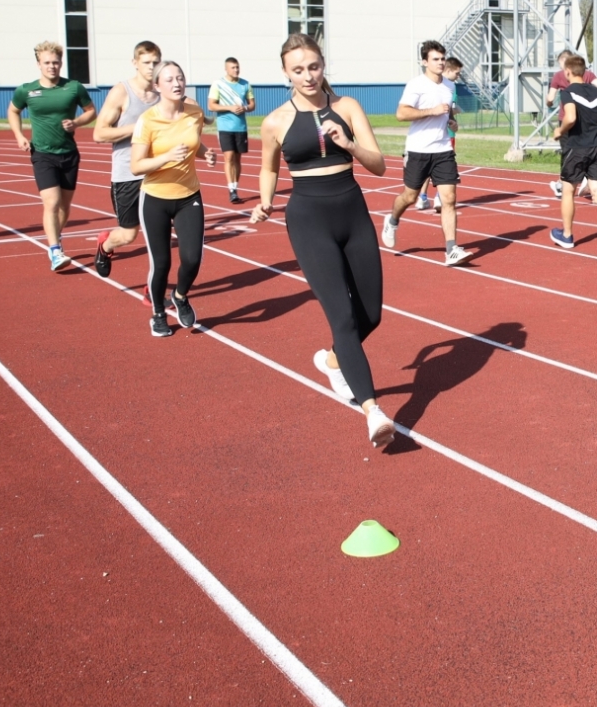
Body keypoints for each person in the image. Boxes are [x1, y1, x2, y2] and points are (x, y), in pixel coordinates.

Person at [251, 34, 397, 448]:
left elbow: (380, 166)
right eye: (298, 70)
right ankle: (373, 412)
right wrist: (264, 201)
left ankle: (333, 361)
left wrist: (348, 143)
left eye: (313, 67)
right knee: (343, 319)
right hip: (308, 219)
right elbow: (267, 168)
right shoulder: (276, 121)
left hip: (351, 211)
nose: (307, 76)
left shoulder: (347, 107)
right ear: (285, 73)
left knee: (371, 314)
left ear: (323, 64)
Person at [130, 62, 216, 336]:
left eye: (180, 78)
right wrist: (166, 158)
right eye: (169, 79)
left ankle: (179, 296)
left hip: (188, 195)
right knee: (162, 262)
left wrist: (205, 153)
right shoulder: (148, 120)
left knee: (192, 258)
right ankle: (157, 313)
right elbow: (136, 166)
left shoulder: (194, 112)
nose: (177, 83)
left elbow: (192, 142)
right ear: (157, 86)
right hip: (155, 197)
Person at [7, 41, 97, 272]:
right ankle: (55, 250)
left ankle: (56, 236)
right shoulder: (26, 90)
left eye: (55, 62)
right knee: (52, 202)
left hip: (68, 153)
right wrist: (19, 135)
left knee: (65, 207)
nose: (52, 66)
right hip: (43, 154)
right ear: (39, 64)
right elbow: (13, 110)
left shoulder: (74, 87)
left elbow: (91, 112)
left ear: (61, 63)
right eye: (47, 63)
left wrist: (76, 122)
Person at [382, 40, 472, 266]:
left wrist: (452, 122)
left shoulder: (449, 87)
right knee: (410, 197)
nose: (441, 63)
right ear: (424, 62)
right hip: (418, 150)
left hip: (443, 149)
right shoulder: (416, 85)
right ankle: (392, 220)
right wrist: (432, 111)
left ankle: (451, 249)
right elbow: (401, 114)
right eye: (436, 59)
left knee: (449, 199)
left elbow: (448, 114)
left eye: (443, 59)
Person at [91, 42, 161, 278]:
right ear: (135, 63)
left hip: (157, 173)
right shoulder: (122, 92)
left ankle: (153, 289)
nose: (152, 68)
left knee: (158, 233)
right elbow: (99, 133)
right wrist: (138, 128)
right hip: (127, 175)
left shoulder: (162, 94)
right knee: (128, 234)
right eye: (147, 63)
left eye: (155, 62)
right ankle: (106, 244)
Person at [550, 53, 597, 250]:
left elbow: (571, 118)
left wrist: (560, 130)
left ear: (567, 71)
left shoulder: (568, 92)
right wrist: (592, 122)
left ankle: (566, 235)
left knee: (568, 190)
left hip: (577, 147)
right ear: (584, 72)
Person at [548, 50, 597, 200]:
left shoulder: (560, 78)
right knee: (587, 148)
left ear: (566, 68)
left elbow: (551, 98)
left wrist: (559, 129)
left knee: (569, 153)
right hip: (589, 120)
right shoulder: (588, 75)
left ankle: (566, 183)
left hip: (567, 119)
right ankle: (586, 177)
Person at [418, 56, 465, 211]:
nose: (458, 77)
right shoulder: (439, 86)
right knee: (437, 166)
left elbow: (450, 109)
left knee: (441, 166)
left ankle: (431, 196)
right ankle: (427, 197)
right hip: (437, 133)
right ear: (448, 70)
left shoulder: (451, 86)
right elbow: (450, 108)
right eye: (456, 74)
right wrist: (456, 110)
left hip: (447, 132)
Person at [208, 57, 256, 205]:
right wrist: (229, 108)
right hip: (225, 127)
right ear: (226, 69)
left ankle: (236, 185)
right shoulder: (218, 84)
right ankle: (231, 190)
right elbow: (211, 106)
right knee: (229, 157)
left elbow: (253, 104)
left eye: (237, 67)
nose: (236, 70)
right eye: (233, 67)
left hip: (240, 127)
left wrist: (246, 108)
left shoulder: (245, 84)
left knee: (238, 159)